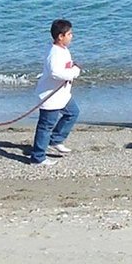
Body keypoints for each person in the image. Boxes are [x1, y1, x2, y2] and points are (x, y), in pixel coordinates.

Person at [29, 19, 81, 165]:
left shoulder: (63, 49)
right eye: (69, 34)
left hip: (62, 95)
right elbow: (55, 73)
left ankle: (56, 140)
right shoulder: (54, 53)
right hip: (50, 95)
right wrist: (74, 72)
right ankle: (38, 157)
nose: (72, 36)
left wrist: (73, 67)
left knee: (72, 113)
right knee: (45, 126)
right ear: (60, 36)